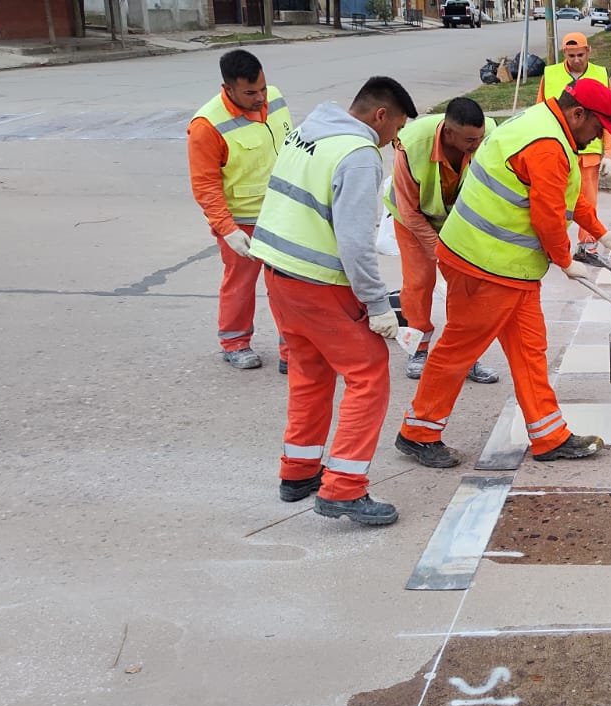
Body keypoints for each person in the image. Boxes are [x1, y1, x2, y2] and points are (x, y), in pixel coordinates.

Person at [394, 79, 611, 469]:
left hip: (507, 269)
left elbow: (567, 194)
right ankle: (418, 433)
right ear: (578, 114)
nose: (599, 138)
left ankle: (549, 436)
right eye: (598, 128)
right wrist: (565, 261)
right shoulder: (547, 144)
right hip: (483, 265)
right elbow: (548, 215)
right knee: (458, 351)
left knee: (529, 351)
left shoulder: (544, 124)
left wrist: (601, 233)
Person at [249, 77, 417, 526]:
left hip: (279, 274)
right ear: (380, 115)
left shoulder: (310, 130)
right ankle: (343, 488)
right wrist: (377, 305)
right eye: (396, 129)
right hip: (319, 282)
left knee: (310, 373)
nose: (394, 141)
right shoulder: (358, 155)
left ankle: (299, 471)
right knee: (369, 374)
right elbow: (356, 244)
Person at [382, 97, 502, 384]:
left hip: (459, 220)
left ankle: (465, 355)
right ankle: (418, 349)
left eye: (479, 138)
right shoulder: (411, 144)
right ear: (448, 133)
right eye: (470, 140)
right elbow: (409, 210)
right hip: (413, 219)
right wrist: (440, 250)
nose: (477, 144)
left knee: (466, 285)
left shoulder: (489, 136)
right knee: (419, 283)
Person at [187, 49, 293, 372]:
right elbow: (205, 185)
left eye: (262, 88)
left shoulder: (275, 98)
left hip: (283, 213)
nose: (260, 97)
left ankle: (293, 349)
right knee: (240, 284)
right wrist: (228, 229)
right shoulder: (207, 125)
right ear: (228, 88)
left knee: (288, 285)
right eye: (250, 93)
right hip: (242, 222)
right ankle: (234, 343)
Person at [536, 32, 611, 255]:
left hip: (588, 152)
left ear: (588, 51)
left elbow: (608, 117)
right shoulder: (550, 74)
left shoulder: (600, 74)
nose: (576, 60)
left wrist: (609, 153)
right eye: (571, 55)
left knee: (587, 202)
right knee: (554, 200)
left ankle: (587, 246)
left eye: (580, 55)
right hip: (557, 148)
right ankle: (552, 246)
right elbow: (540, 111)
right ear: (564, 53)